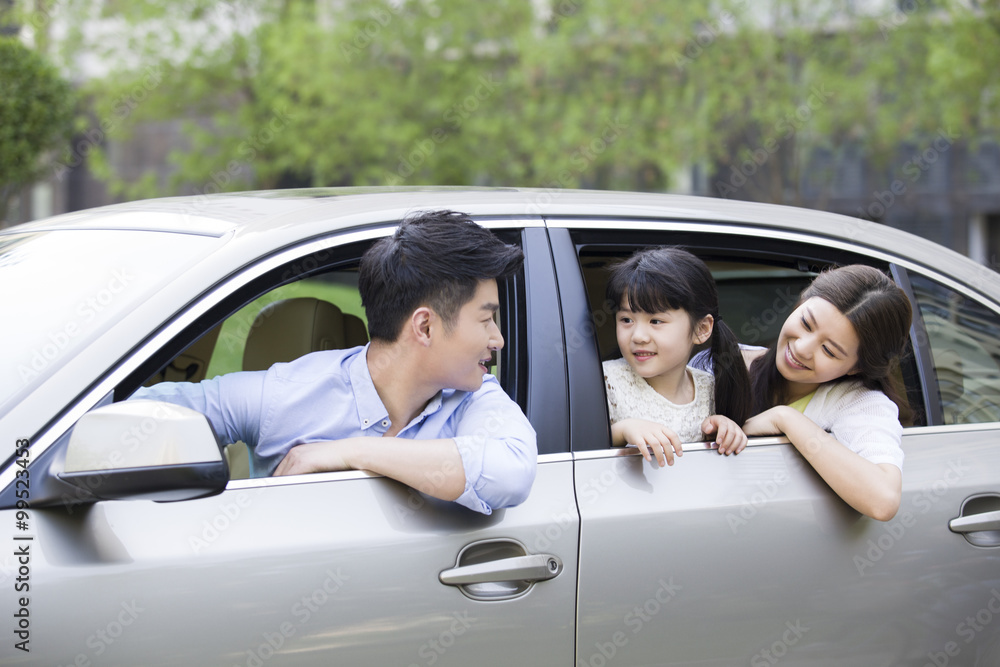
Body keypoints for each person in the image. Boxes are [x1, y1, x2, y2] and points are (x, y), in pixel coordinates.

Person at [133, 210, 537, 515]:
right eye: (486, 319)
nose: (498, 339)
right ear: (426, 327)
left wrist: (350, 452)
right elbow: (133, 417)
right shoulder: (284, 395)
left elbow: (511, 472)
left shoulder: (476, 397)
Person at [740, 264, 913, 521]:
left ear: (856, 367)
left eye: (829, 351)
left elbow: (883, 500)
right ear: (801, 302)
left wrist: (786, 419)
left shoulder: (857, 402)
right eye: (806, 323)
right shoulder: (727, 363)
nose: (801, 348)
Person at [602, 247, 751, 467]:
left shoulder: (710, 387)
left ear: (701, 328)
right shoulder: (605, 381)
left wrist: (724, 431)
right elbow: (570, 443)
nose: (638, 336)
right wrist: (623, 430)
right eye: (626, 320)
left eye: (656, 321)